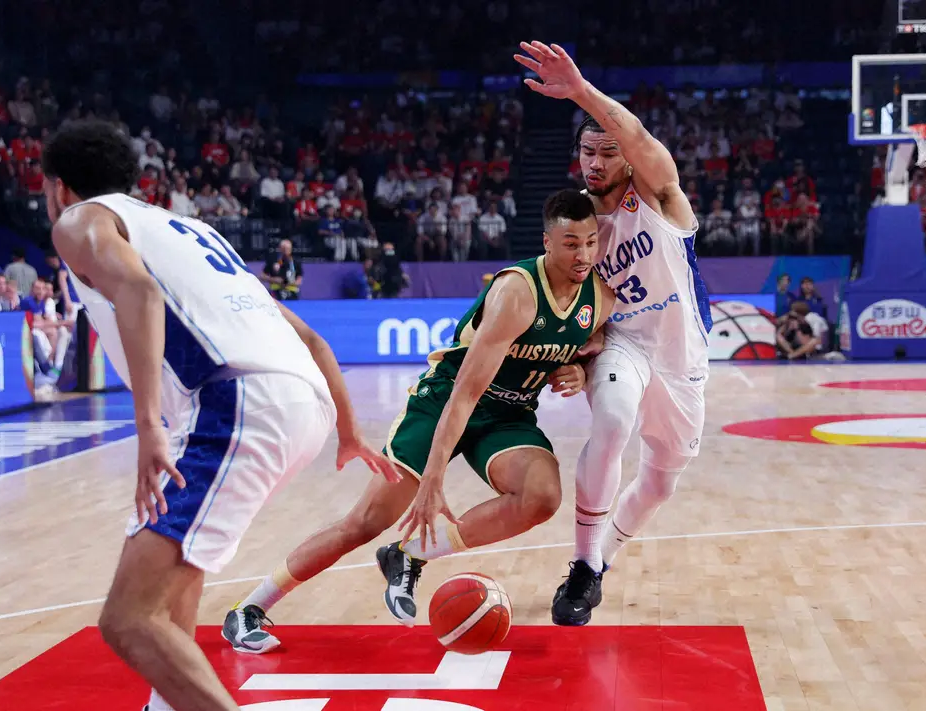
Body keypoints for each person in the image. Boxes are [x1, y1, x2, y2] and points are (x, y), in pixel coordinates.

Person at [42, 120, 396, 711]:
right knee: (175, 581)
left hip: (237, 401)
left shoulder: (80, 221)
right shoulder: (187, 228)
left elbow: (140, 293)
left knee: (128, 617)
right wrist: (348, 430)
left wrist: (149, 426)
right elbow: (310, 338)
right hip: (293, 402)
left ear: (57, 188)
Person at [222, 189, 616, 652]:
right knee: (366, 521)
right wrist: (432, 479)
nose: (583, 254)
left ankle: (409, 556)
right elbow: (466, 391)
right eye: (571, 243)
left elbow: (593, 340)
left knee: (542, 496)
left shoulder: (600, 298)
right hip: (446, 400)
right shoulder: (517, 292)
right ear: (547, 242)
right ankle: (249, 608)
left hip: (507, 412)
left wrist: (579, 368)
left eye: (591, 242)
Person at [515, 41, 711, 626]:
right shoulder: (577, 227)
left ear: (624, 157)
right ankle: (580, 565)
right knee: (614, 417)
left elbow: (641, 139)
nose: (596, 162)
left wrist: (580, 92)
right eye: (587, 152)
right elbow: (567, 312)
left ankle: (599, 562)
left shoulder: (659, 195)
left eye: (607, 151)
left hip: (682, 357)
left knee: (660, 484)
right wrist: (571, 359)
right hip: (624, 346)